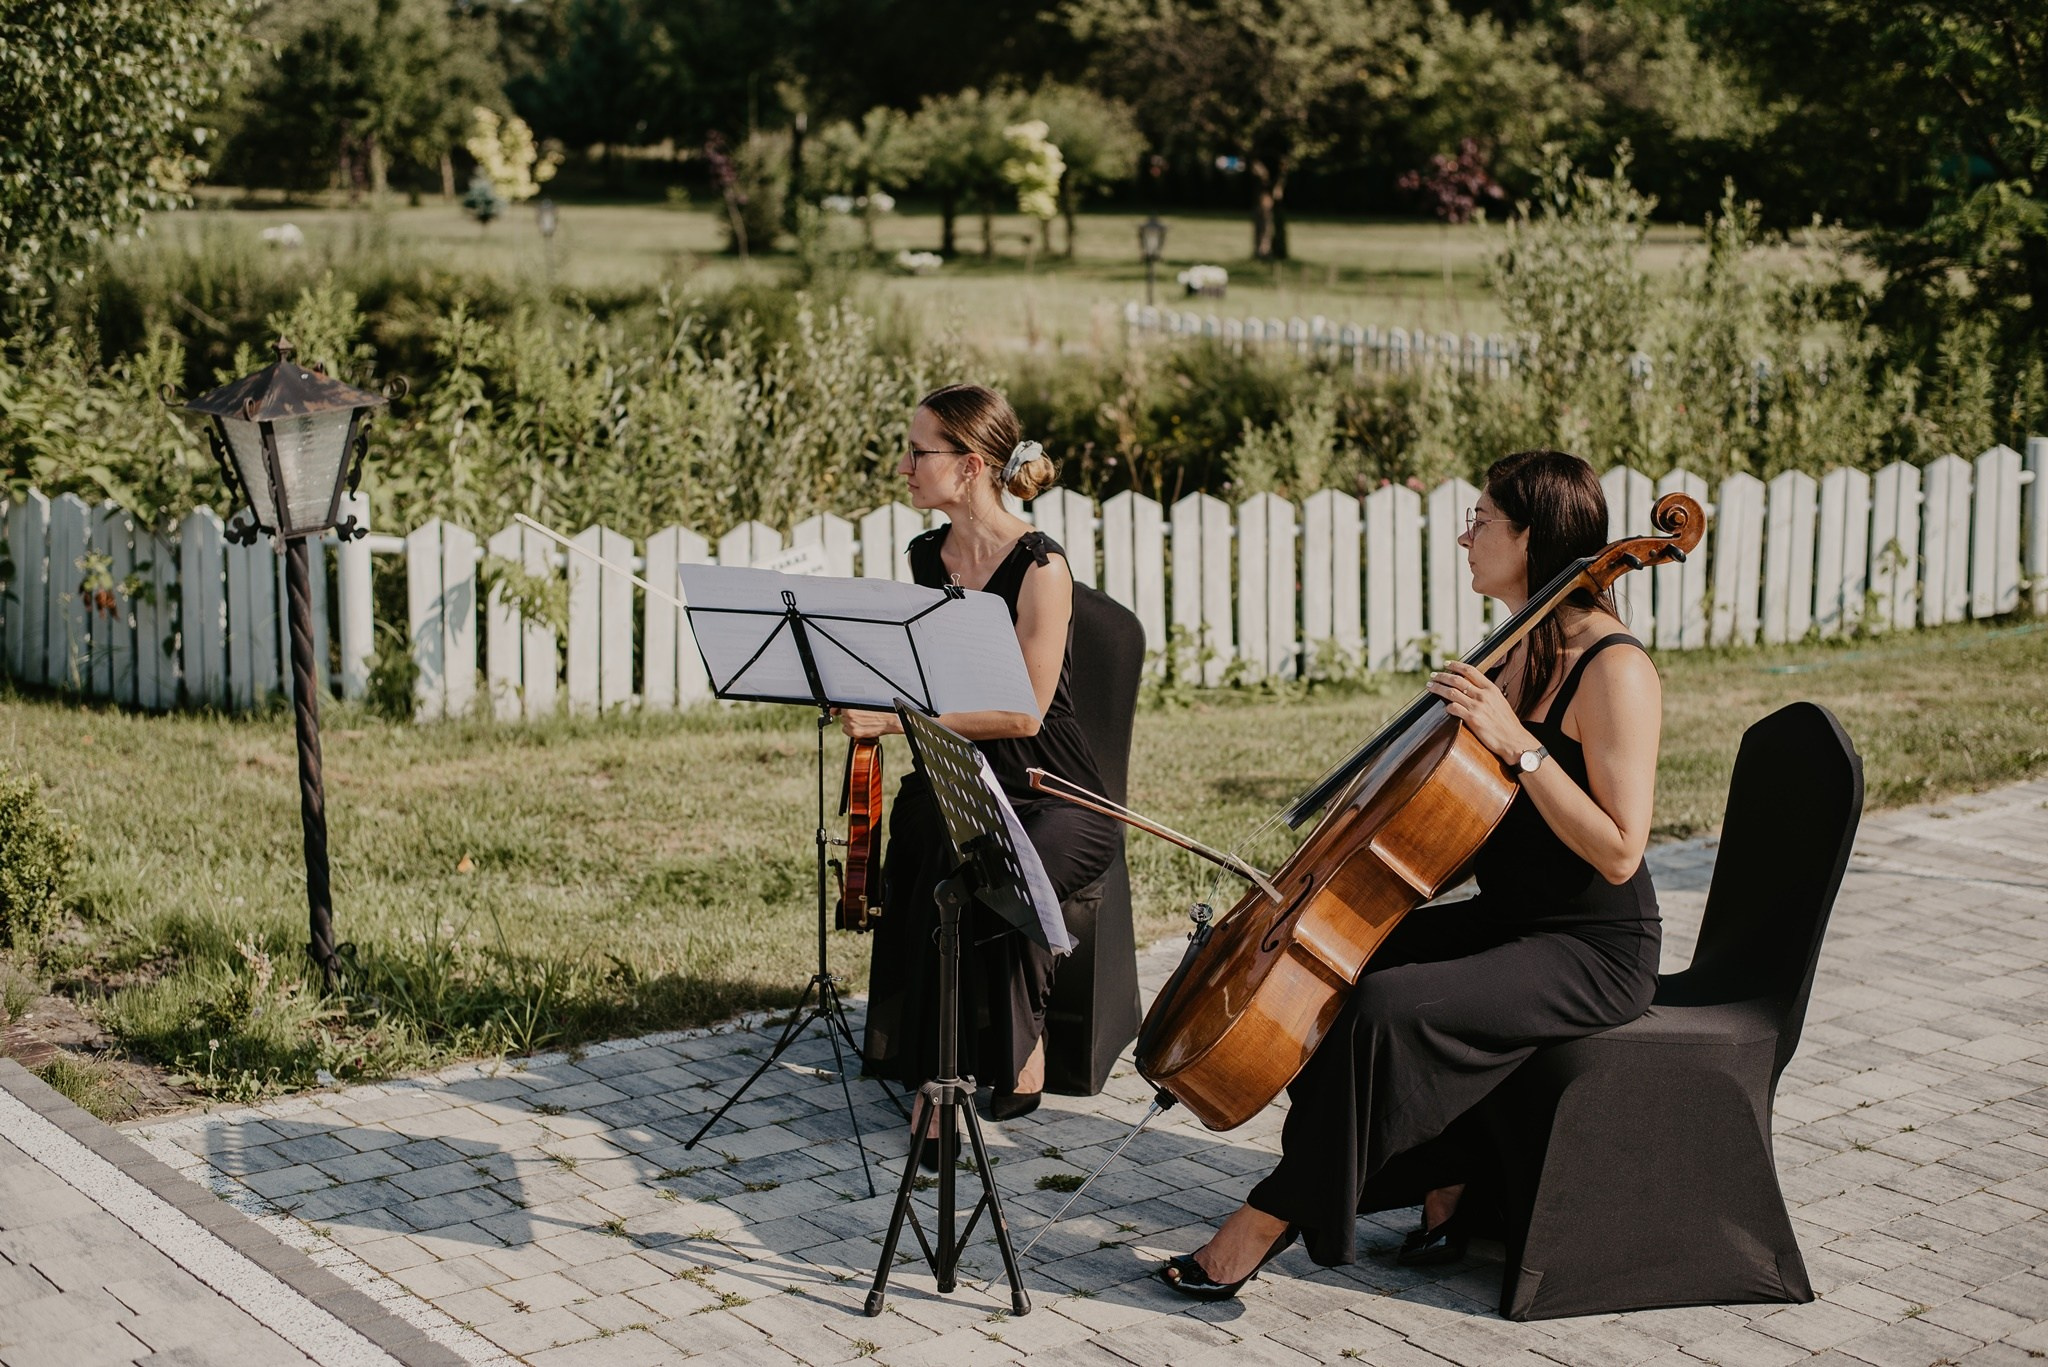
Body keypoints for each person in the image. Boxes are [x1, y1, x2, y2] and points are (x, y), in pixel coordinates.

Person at [1160, 448, 1665, 1299]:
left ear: (1533, 538)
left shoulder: (1614, 668)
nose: (1465, 536)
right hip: (1511, 918)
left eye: (1483, 521)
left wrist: (1522, 745)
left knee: (1388, 1010)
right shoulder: (1515, 648)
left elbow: (1620, 848)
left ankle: (1267, 1219)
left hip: (1592, 948)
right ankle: (1446, 1174)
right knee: (1355, 965)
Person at [838, 384, 1120, 1131]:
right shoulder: (928, 555)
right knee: (924, 833)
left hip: (1055, 788)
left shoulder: (1040, 567)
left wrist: (899, 722)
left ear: (968, 466)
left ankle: (1010, 1051)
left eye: (917, 451)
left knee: (1001, 871)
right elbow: (935, 669)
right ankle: (936, 1063)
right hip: (970, 773)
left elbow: (1024, 710)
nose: (903, 465)